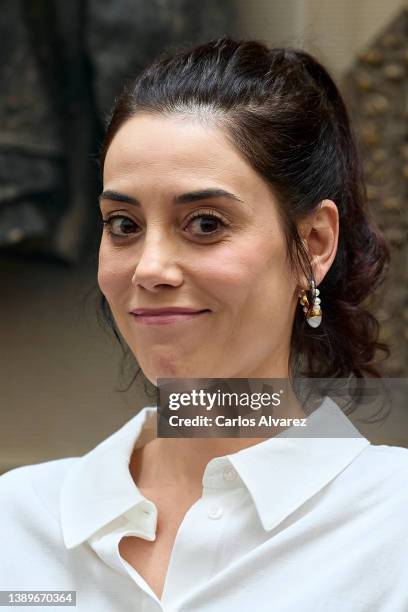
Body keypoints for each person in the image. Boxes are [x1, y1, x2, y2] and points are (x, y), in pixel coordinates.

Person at [1, 37, 407, 612]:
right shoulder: (17, 521)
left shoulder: (393, 524)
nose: (150, 268)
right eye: (122, 224)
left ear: (314, 244)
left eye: (206, 223)